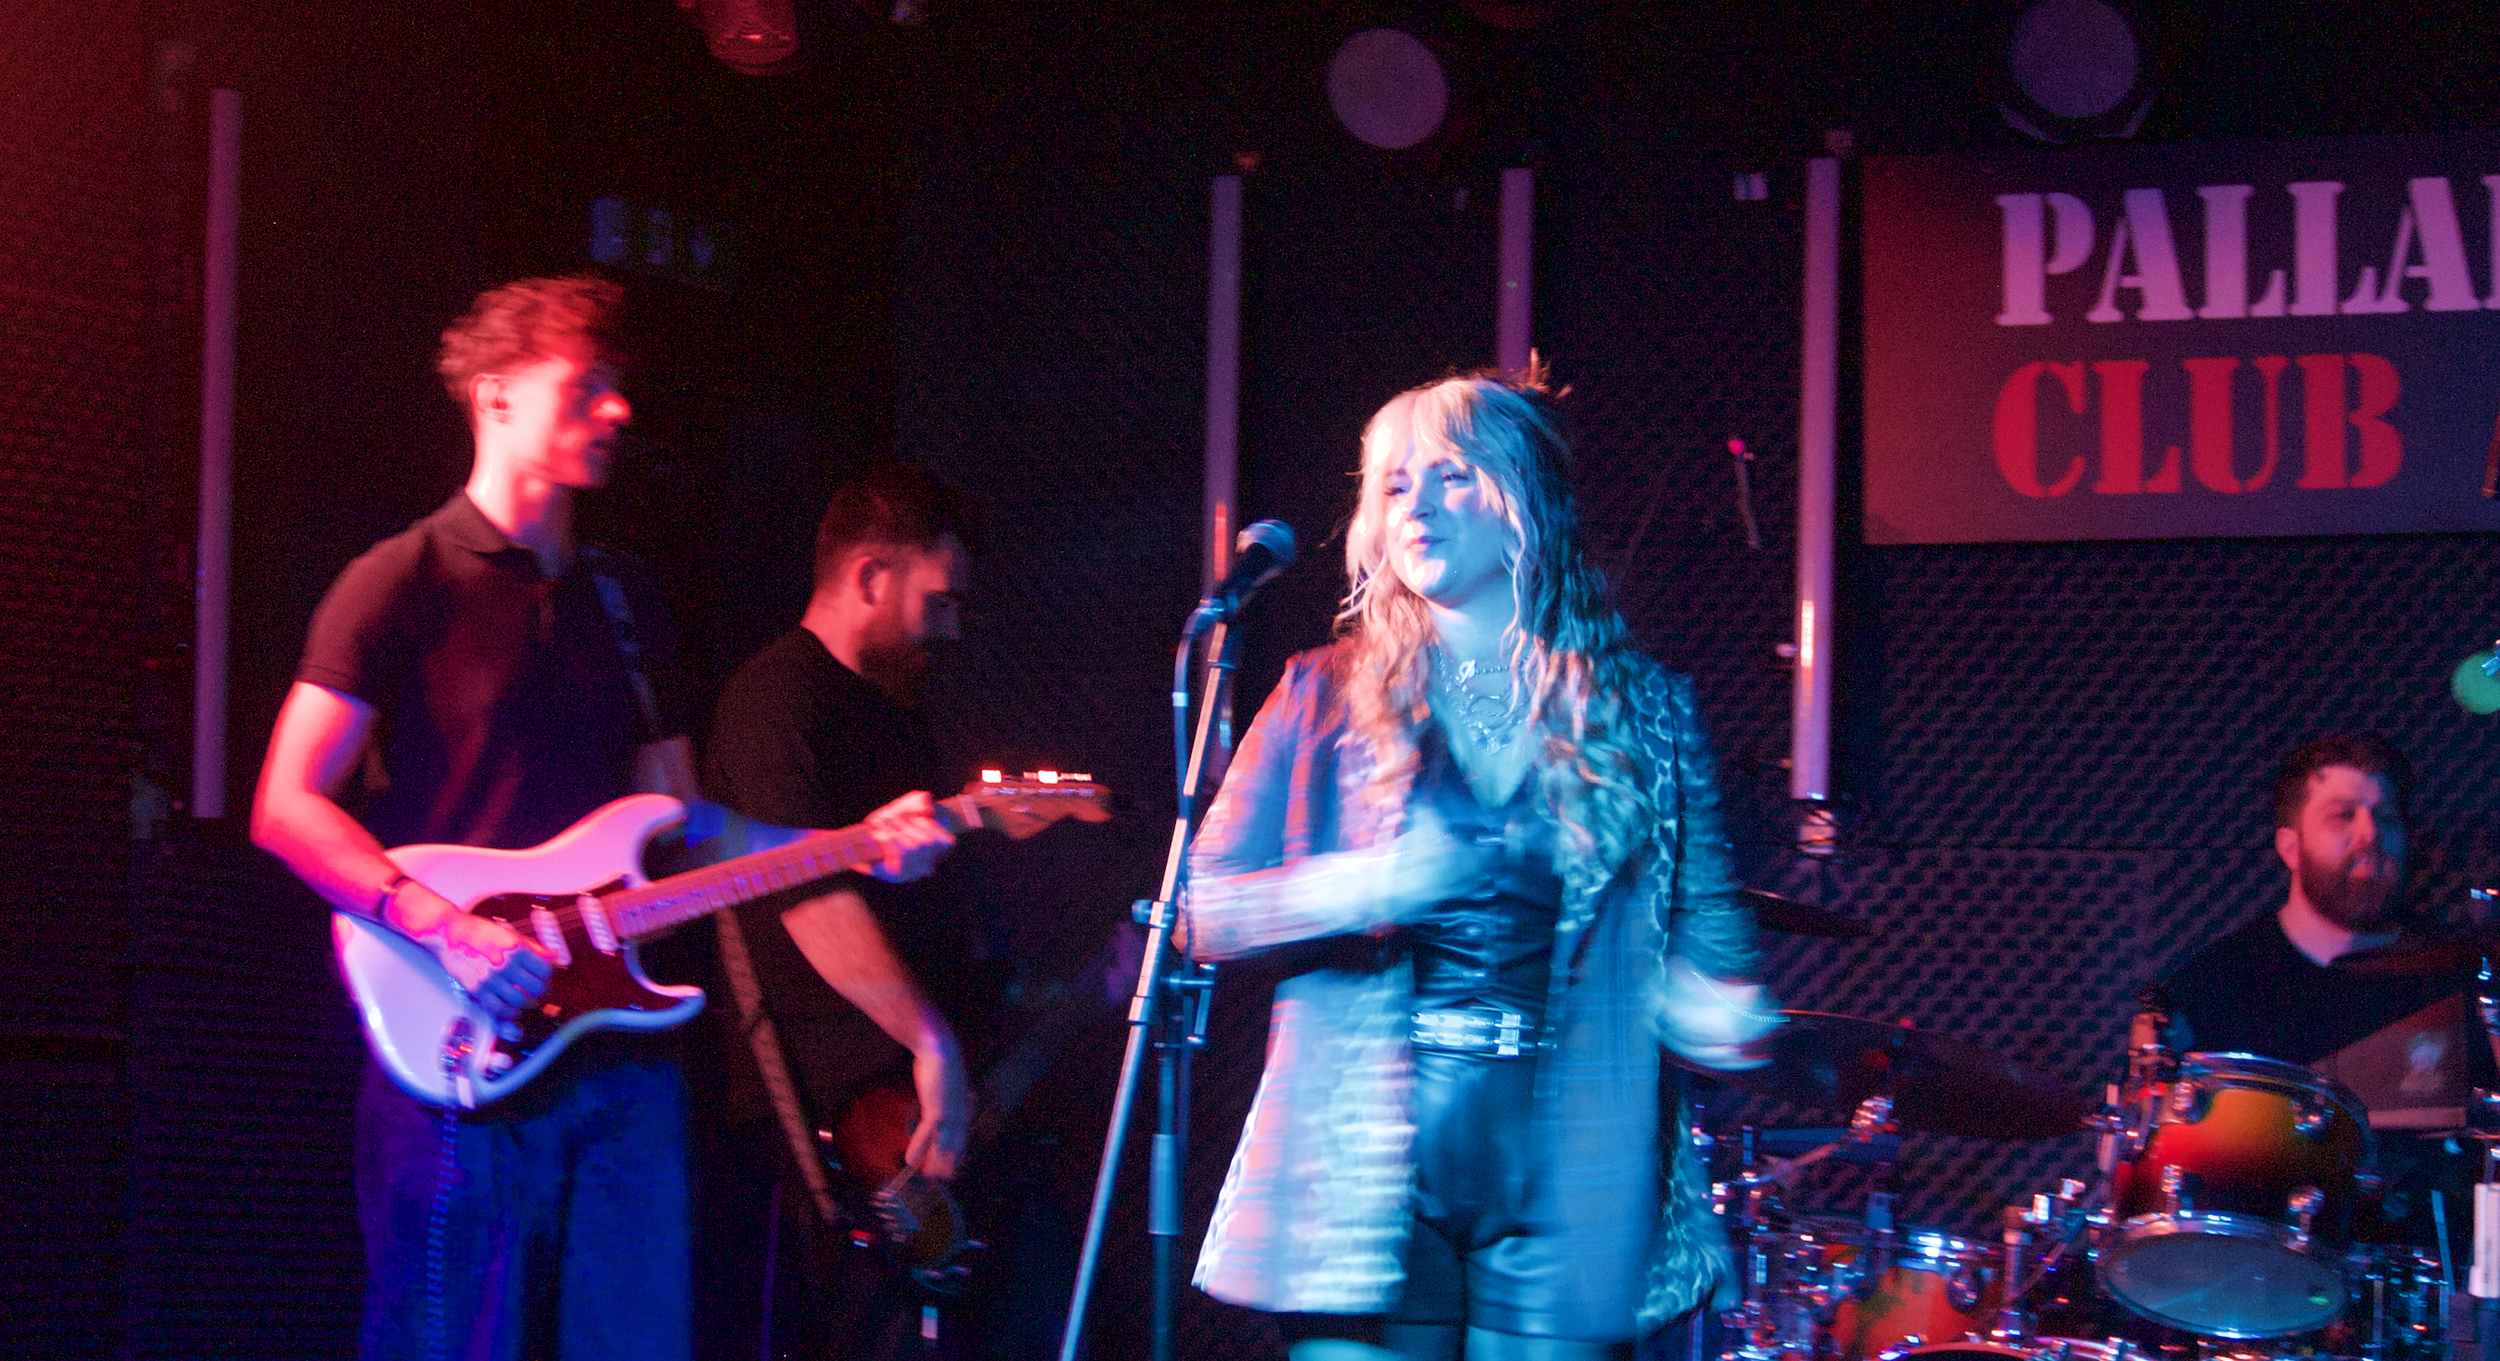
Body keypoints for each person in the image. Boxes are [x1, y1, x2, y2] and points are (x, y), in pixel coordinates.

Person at [250, 276, 951, 1361]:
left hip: (621, 1060)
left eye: (619, 387)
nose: (618, 410)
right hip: (459, 1047)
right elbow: (286, 803)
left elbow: (685, 824)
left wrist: (856, 842)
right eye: (586, 386)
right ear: (493, 397)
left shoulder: (625, 599)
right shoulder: (396, 582)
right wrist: (448, 926)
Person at [1181, 366, 1778, 1361]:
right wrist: (1371, 884)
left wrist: (1710, 1008)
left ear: (1525, 499)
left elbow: (1712, 951)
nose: (1414, 503)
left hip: (1565, 1152)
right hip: (1363, 1143)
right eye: (1394, 482)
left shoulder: (1649, 710)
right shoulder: (1314, 693)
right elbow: (1196, 908)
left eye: (1450, 474)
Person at [693, 463, 1013, 1359]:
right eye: (937, 601)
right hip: (820, 1119)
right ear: (871, 576)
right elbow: (806, 896)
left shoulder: (899, 714)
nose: (948, 629)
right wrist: (931, 1042)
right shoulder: (774, 701)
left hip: (902, 1112)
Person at [2157, 733, 2485, 1257]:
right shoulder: (2212, 988)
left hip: (2425, 1303)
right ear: (2290, 847)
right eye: (2343, 816)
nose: (2370, 835)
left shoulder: (2462, 982)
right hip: (2250, 1288)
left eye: (2388, 818)